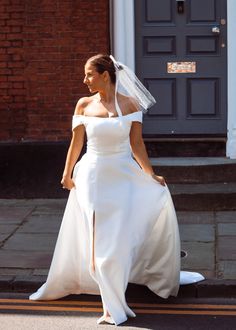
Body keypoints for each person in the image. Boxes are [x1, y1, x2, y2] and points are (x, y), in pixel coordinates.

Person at [29, 54, 203, 325]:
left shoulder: (130, 103)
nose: (84, 80)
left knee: (117, 243)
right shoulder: (84, 104)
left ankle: (115, 300)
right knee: (99, 245)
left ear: (105, 75)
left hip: (123, 178)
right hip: (92, 178)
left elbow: (137, 145)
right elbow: (76, 144)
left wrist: (150, 175)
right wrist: (66, 174)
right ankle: (112, 307)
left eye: (89, 74)